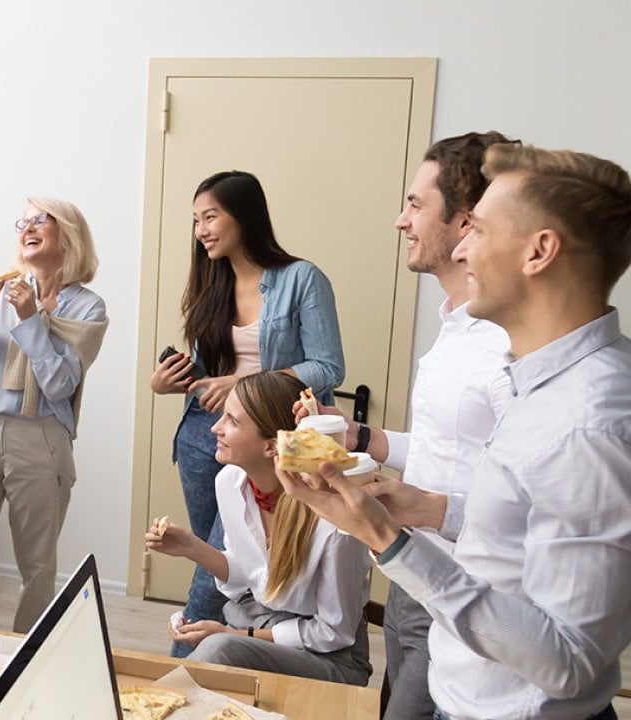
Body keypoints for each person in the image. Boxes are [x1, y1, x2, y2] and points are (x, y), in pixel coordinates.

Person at [280, 144, 631, 720]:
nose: (463, 249)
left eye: (481, 231)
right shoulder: (541, 381)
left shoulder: (588, 421)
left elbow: (569, 661)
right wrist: (415, 506)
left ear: (539, 252)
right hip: (467, 690)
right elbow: (521, 533)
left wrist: (385, 538)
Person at [293, 132, 516, 720]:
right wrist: (362, 438)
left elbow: (525, 504)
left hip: (471, 588)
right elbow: (451, 446)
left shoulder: (507, 346)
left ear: (467, 222)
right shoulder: (455, 328)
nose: (401, 220)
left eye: (416, 204)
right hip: (414, 570)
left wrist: (423, 508)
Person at [149, 171, 345, 656]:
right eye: (196, 220)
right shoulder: (210, 283)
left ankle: (187, 671)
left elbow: (328, 367)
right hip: (204, 433)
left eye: (210, 216)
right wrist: (164, 381)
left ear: (245, 216)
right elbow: (206, 371)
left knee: (212, 575)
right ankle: (240, 660)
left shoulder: (302, 278)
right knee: (222, 563)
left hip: (273, 438)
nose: (201, 229)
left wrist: (241, 384)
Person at [0, 198, 108, 633]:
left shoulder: (88, 309)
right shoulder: (0, 291)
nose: (26, 227)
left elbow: (61, 385)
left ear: (68, 235)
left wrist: (30, 319)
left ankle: (25, 669)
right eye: (22, 221)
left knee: (37, 569)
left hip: (42, 438)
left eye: (39, 220)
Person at [147, 371, 371, 685]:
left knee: (219, 649)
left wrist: (235, 634)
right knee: (218, 648)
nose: (215, 428)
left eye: (232, 421)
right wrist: (191, 547)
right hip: (262, 623)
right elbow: (247, 579)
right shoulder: (231, 482)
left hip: (329, 656)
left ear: (271, 447)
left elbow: (334, 632)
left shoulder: (333, 521)